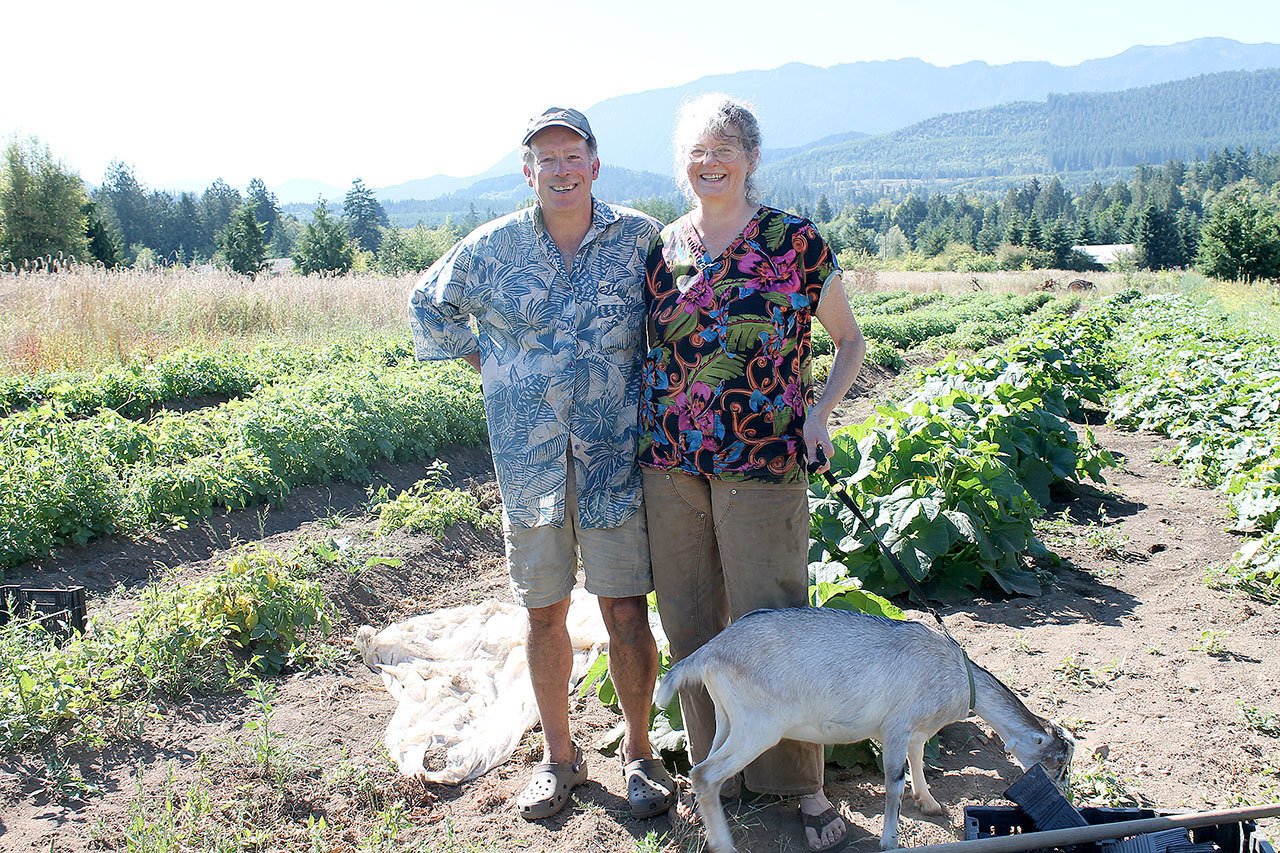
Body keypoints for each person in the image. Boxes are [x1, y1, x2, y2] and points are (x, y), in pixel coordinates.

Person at [409, 107, 675, 822]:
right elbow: (426, 305)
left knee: (625, 607)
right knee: (544, 611)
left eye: (571, 156)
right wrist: (495, 365)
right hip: (530, 469)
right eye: (545, 159)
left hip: (615, 458)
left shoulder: (639, 239)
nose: (560, 169)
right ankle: (561, 758)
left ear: (594, 165)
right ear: (528, 171)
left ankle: (640, 753)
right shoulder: (491, 249)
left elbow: (674, 322)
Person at [638, 94, 867, 852]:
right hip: (671, 465)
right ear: (684, 165)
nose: (709, 163)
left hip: (764, 462)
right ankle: (719, 770)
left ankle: (803, 788)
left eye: (723, 150)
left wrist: (818, 413)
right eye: (697, 153)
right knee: (693, 622)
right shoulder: (665, 248)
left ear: (751, 158)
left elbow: (849, 342)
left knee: (775, 625)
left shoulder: (794, 241)